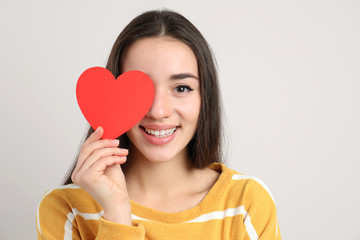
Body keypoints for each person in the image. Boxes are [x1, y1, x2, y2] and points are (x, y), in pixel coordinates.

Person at [36, 9, 281, 239]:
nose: (158, 111)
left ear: (205, 97)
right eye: (139, 89)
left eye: (181, 88)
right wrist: (117, 209)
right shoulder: (66, 210)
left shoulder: (246, 203)